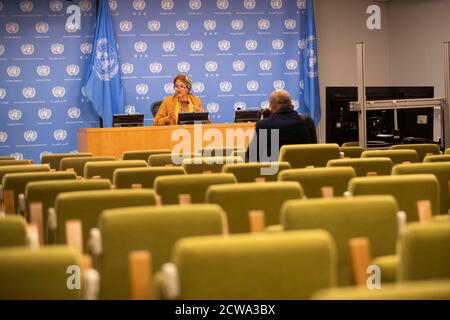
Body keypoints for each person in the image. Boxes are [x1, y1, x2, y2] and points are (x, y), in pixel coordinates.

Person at [248, 89, 314, 161]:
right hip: (299, 170)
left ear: (271, 107)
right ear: (292, 105)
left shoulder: (264, 125)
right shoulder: (306, 121)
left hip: (272, 171)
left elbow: (252, 155)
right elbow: (314, 150)